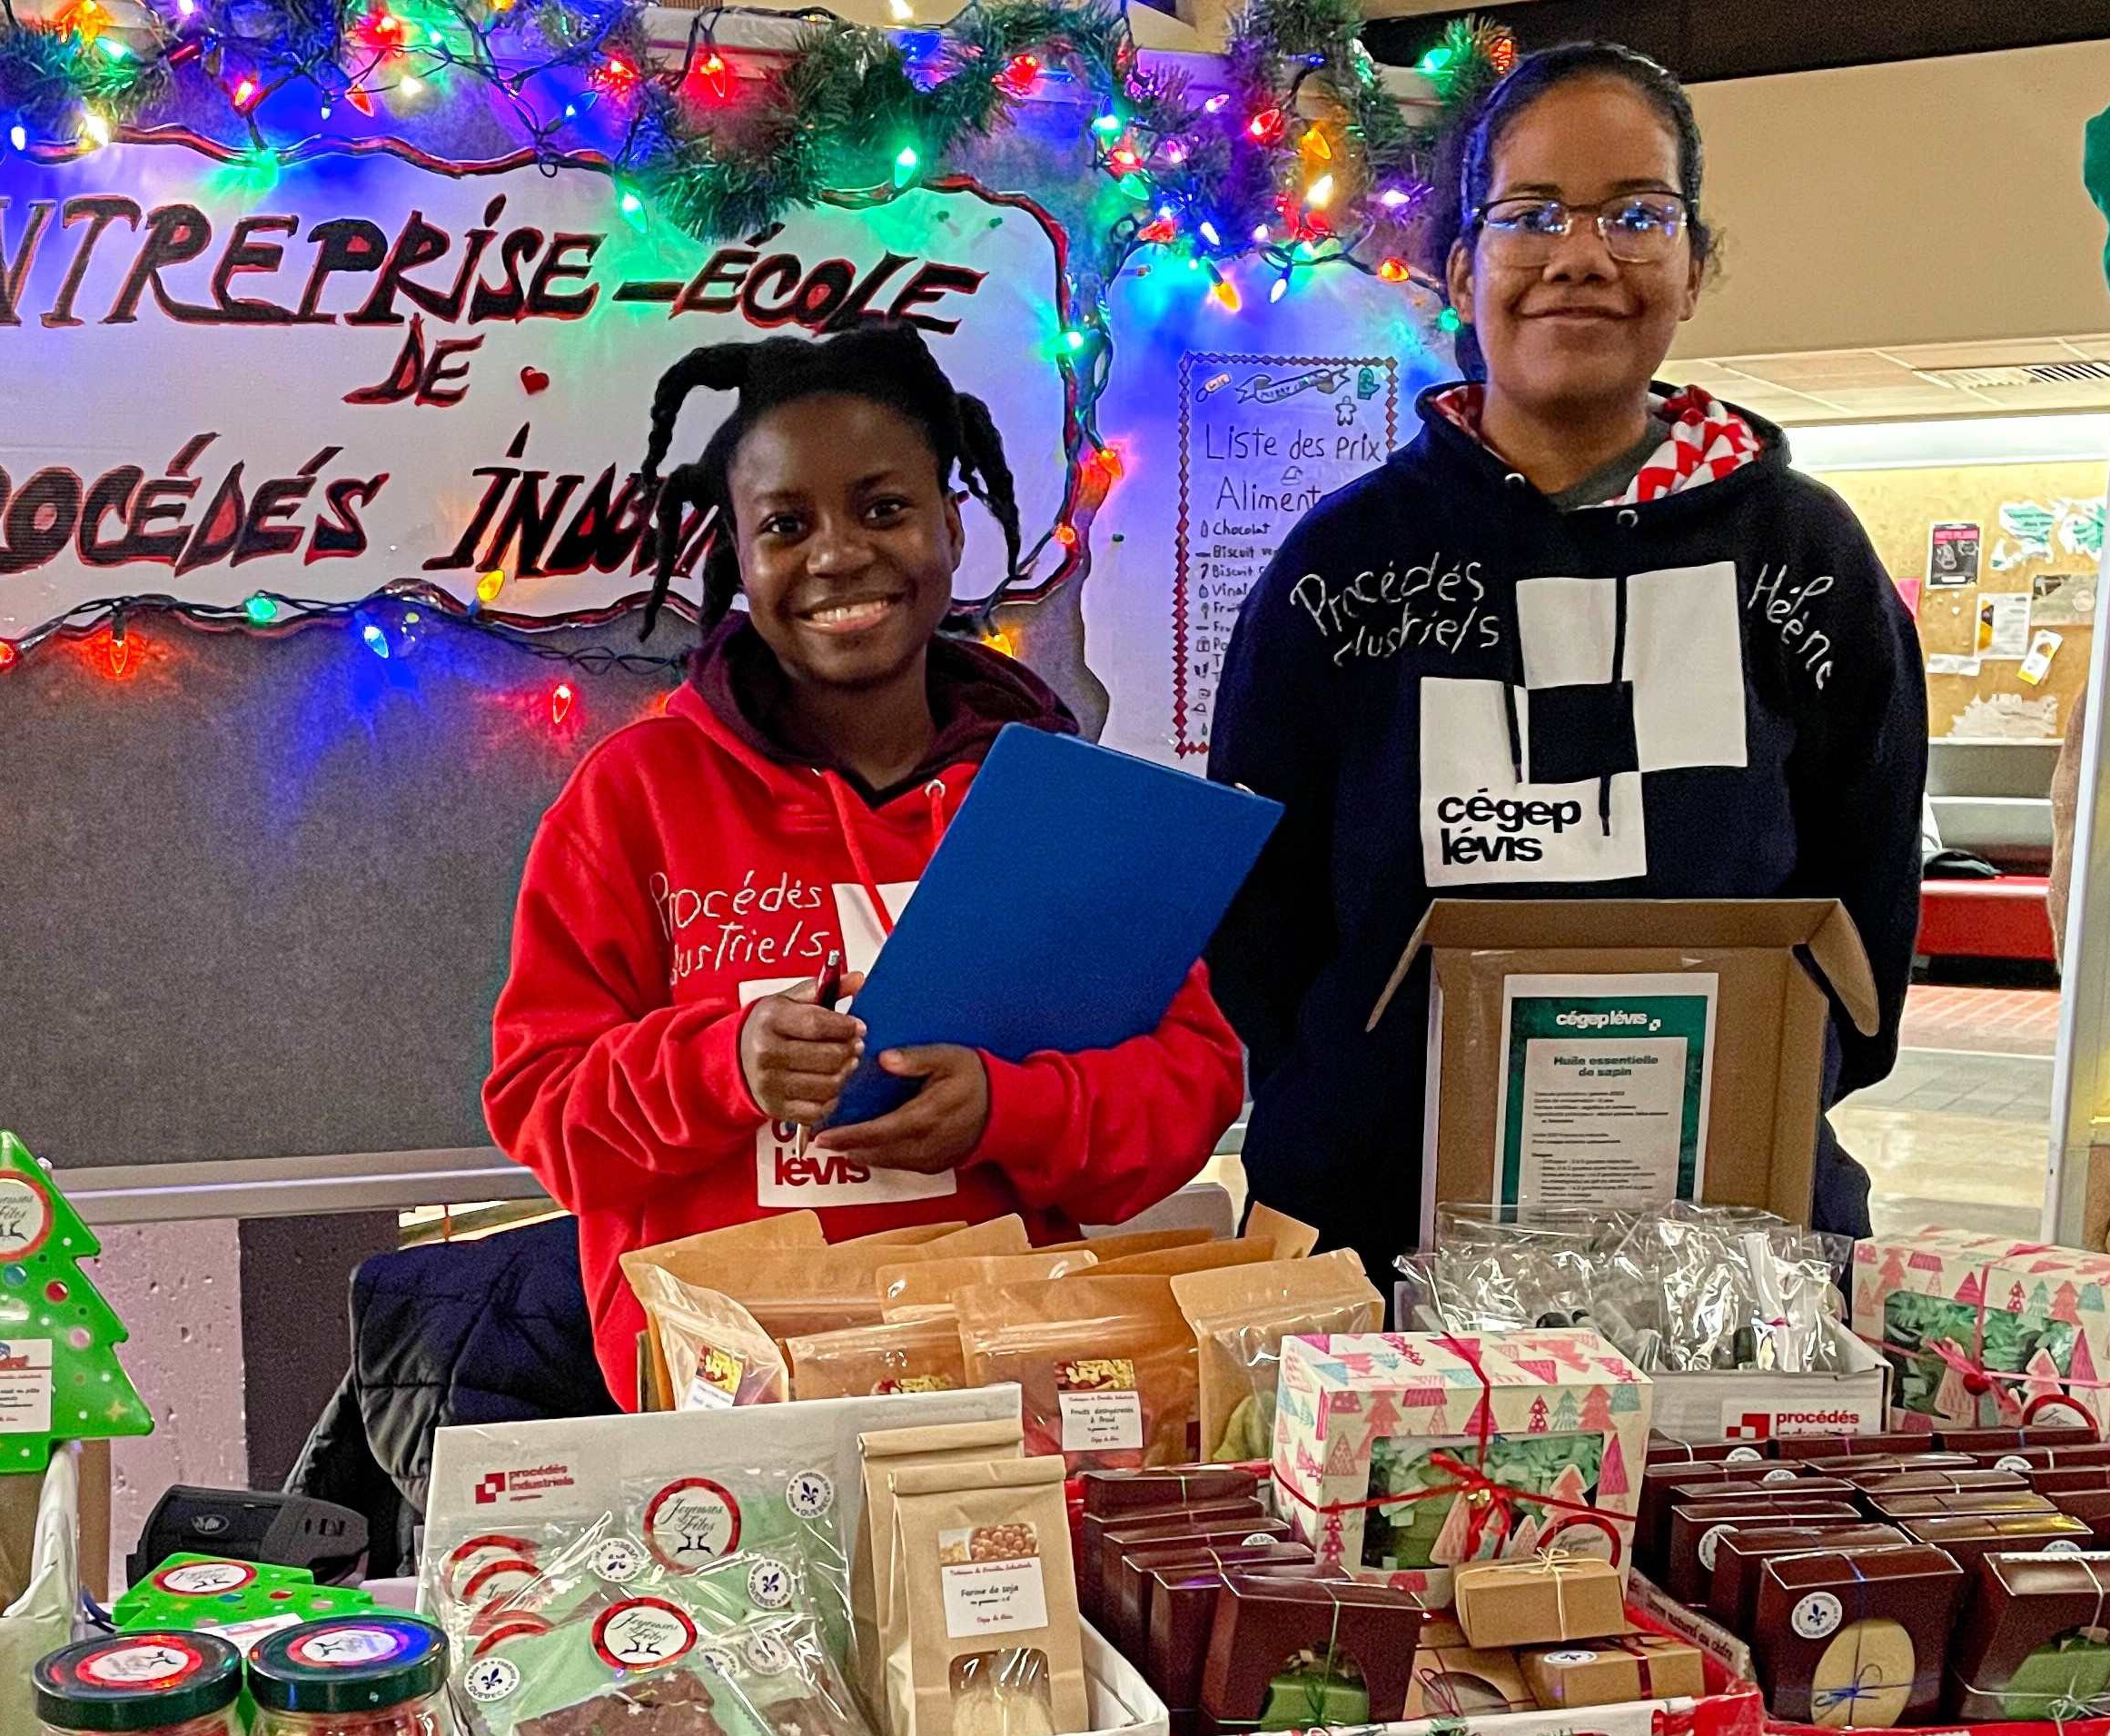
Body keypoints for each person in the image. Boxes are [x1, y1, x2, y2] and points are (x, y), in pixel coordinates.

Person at [1206, 42, 1926, 1286]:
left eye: (1637, 214)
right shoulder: (1344, 560)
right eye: (1531, 215)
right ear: (1460, 270)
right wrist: (1364, 1092)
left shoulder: (1805, 557)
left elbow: (1862, 929)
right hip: (1380, 1242)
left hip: (1725, 1251)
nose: (1581, 257)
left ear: (1695, 266)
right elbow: (1258, 921)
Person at [487, 324, 1247, 1406]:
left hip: (1005, 1404)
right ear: (738, 558)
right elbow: (543, 1109)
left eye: (884, 508)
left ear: (950, 523)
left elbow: (1191, 1083)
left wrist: (1007, 1111)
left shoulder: (1058, 804)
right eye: (786, 525)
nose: (838, 554)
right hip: (726, 1410)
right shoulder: (636, 797)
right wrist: (724, 1066)